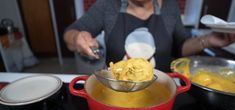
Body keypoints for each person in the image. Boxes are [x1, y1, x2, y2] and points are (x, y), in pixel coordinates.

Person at [64, 0, 235, 72]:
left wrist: (207, 40)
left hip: (161, 90)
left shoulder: (169, 6)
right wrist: (77, 38)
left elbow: (181, 47)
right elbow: (71, 32)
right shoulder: (108, 5)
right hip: (117, 90)